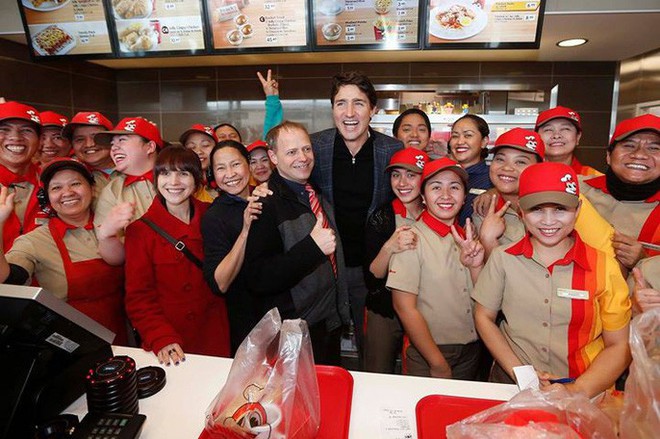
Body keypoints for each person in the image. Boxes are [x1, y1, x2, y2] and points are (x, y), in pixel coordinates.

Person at [473, 162, 631, 398]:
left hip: (586, 389)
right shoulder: (502, 259)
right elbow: (483, 316)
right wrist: (522, 374)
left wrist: (576, 389)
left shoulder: (603, 266)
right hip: (511, 384)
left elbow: (620, 345)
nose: (549, 221)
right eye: (537, 209)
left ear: (577, 210)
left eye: (560, 209)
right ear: (521, 212)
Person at [310, 71, 403, 360]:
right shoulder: (316, 147)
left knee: (372, 348)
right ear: (332, 109)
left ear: (373, 110)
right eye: (341, 103)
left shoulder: (392, 149)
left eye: (359, 103)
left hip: (372, 269)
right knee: (324, 348)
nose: (349, 113)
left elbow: (415, 191)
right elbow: (289, 181)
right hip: (326, 267)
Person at [244, 121, 350, 366]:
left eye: (306, 149)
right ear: (273, 157)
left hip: (327, 322)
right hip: (296, 332)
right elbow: (258, 277)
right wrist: (312, 248)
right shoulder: (266, 203)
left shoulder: (315, 193)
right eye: (291, 152)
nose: (302, 158)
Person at [0, 158, 127, 344]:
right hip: (73, 344)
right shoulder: (35, 241)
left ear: (92, 189)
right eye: (56, 188)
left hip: (127, 336)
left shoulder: (117, 226)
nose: (67, 193)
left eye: (75, 183)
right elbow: (8, 279)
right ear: (48, 198)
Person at [125, 146, 230, 366]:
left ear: (197, 179)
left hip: (218, 330)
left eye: (183, 173)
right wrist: (160, 336)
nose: (173, 182)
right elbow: (139, 297)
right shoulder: (141, 231)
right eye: (165, 173)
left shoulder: (213, 214)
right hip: (174, 340)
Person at [387, 157, 484, 379]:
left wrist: (476, 265)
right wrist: (438, 363)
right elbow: (404, 308)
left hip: (472, 350)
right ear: (423, 196)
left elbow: (484, 297)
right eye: (436, 187)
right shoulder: (411, 239)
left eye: (455, 187)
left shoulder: (468, 237)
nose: (446, 196)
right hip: (430, 353)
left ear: (464, 197)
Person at [363, 148, 428, 373]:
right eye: (396, 174)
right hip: (386, 309)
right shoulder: (382, 216)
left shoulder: (439, 210)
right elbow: (372, 277)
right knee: (379, 372)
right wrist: (390, 246)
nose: (402, 182)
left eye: (411, 175)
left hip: (427, 310)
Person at [202, 140, 264, 354]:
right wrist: (245, 230)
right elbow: (220, 283)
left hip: (281, 310)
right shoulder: (214, 216)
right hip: (245, 319)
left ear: (248, 165)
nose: (230, 174)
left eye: (235, 164)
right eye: (221, 168)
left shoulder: (266, 195)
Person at [580, 114, 659, 271]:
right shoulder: (576, 189)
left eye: (654, 148)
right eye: (629, 145)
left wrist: (644, 261)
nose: (639, 154)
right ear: (608, 156)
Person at [93, 117, 163, 265]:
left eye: (122, 140)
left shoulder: (178, 178)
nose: (114, 148)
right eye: (112, 143)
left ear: (150, 146)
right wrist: (107, 235)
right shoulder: (112, 191)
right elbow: (116, 260)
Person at [0, 101, 48, 250]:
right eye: (4, 130)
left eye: (26, 130)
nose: (15, 137)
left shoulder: (53, 182)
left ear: (40, 141)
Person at [448, 114, 493, 226]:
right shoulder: (444, 174)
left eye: (468, 135)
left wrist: (495, 192)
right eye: (455, 136)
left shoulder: (493, 177)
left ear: (484, 141)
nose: (460, 141)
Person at [61, 111, 118, 198]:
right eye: (80, 139)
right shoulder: (70, 176)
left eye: (96, 137)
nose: (89, 144)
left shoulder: (134, 168)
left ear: (112, 139)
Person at [535, 106, 602, 177]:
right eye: (548, 130)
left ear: (578, 137)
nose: (556, 135)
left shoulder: (595, 179)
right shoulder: (525, 175)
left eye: (565, 129)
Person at [179, 124, 219, 202]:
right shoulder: (180, 185)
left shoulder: (228, 179)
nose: (199, 151)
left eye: (205, 145)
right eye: (191, 147)